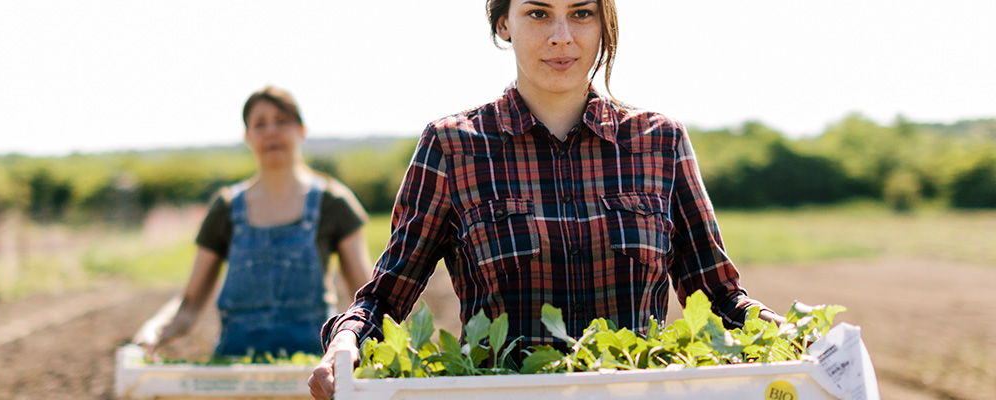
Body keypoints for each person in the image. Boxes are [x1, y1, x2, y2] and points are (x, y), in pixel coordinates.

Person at [308, 0, 785, 397]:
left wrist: (787, 333)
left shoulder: (659, 141)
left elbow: (720, 298)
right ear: (503, 24)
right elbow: (384, 300)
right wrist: (346, 343)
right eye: (538, 13)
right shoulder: (453, 146)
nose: (561, 36)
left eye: (581, 13)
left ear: (604, 23)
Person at [132, 86, 372, 358]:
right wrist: (152, 331)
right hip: (234, 372)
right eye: (260, 124)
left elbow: (366, 303)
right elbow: (188, 306)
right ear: (248, 136)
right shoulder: (225, 209)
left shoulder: (334, 203)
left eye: (282, 121)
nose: (271, 131)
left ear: (301, 130)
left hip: (314, 374)